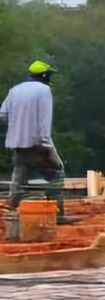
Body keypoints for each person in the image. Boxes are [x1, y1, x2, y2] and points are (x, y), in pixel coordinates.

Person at [2, 60, 65, 220]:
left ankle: (13, 203)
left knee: (20, 170)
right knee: (57, 173)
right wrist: (46, 145)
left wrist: (17, 127)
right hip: (38, 144)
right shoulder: (44, 90)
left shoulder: (15, 90)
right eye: (49, 75)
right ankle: (56, 213)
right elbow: (45, 119)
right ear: (44, 75)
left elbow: (2, 115)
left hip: (16, 142)